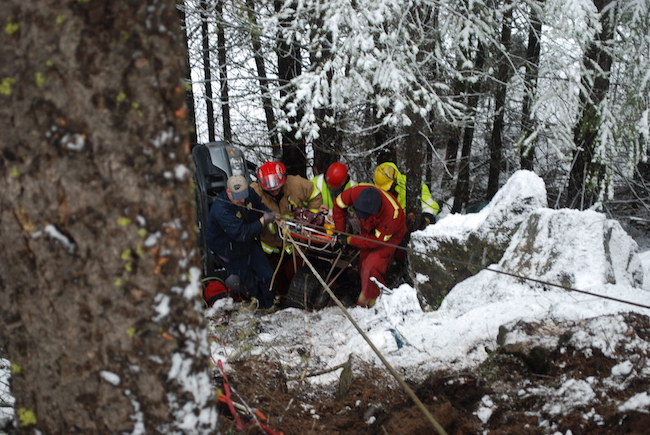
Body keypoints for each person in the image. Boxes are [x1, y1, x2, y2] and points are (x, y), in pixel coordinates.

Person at [251, 161, 326, 293]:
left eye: (277, 188)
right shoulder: (254, 192)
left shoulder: (296, 184)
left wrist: (310, 218)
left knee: (295, 272)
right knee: (272, 274)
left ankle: (294, 297)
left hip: (294, 241)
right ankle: (278, 296)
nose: (274, 191)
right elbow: (245, 211)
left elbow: (315, 195)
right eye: (270, 189)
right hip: (269, 242)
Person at [205, 174, 277, 309]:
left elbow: (260, 207)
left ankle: (270, 305)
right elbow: (241, 233)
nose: (242, 200)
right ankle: (258, 306)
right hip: (228, 248)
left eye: (244, 195)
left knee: (267, 275)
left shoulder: (249, 193)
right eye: (238, 197)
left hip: (248, 243)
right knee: (250, 283)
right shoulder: (221, 209)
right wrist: (262, 221)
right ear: (228, 192)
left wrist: (270, 214)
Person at [332, 185, 406, 308]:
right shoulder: (355, 193)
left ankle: (373, 302)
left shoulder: (392, 215)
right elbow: (339, 206)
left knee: (371, 266)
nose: (360, 217)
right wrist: (341, 233)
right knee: (363, 263)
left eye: (363, 215)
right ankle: (365, 290)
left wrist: (350, 240)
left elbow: (376, 241)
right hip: (369, 226)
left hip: (390, 235)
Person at [373, 162, 440, 226]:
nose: (387, 191)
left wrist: (426, 218)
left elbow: (429, 205)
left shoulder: (413, 185)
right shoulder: (378, 193)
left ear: (395, 180)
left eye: (389, 188)